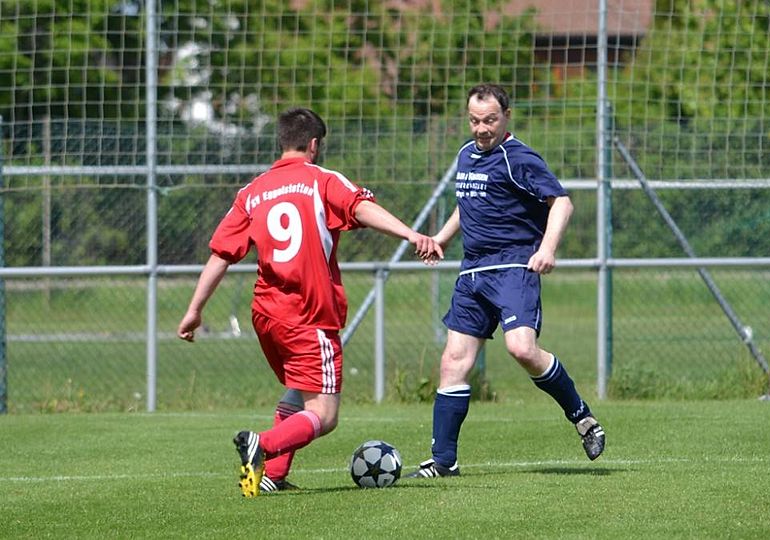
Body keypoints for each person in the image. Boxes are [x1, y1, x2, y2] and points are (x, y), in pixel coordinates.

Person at [177, 107, 442, 497]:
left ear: (282, 141)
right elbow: (360, 207)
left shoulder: (252, 192)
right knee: (325, 413)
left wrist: (194, 310)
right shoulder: (322, 180)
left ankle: (273, 476)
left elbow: (221, 255)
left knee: (299, 391)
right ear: (314, 144)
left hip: (267, 315)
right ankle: (263, 445)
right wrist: (410, 234)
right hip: (309, 314)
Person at [406, 84, 605, 479]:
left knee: (522, 349)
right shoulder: (466, 154)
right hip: (473, 271)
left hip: (513, 267)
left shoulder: (519, 158)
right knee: (453, 362)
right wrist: (442, 239)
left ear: (506, 117)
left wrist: (547, 249)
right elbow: (468, 203)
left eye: (490, 120)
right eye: (474, 120)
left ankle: (582, 417)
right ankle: (444, 462)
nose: (481, 129)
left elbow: (562, 202)